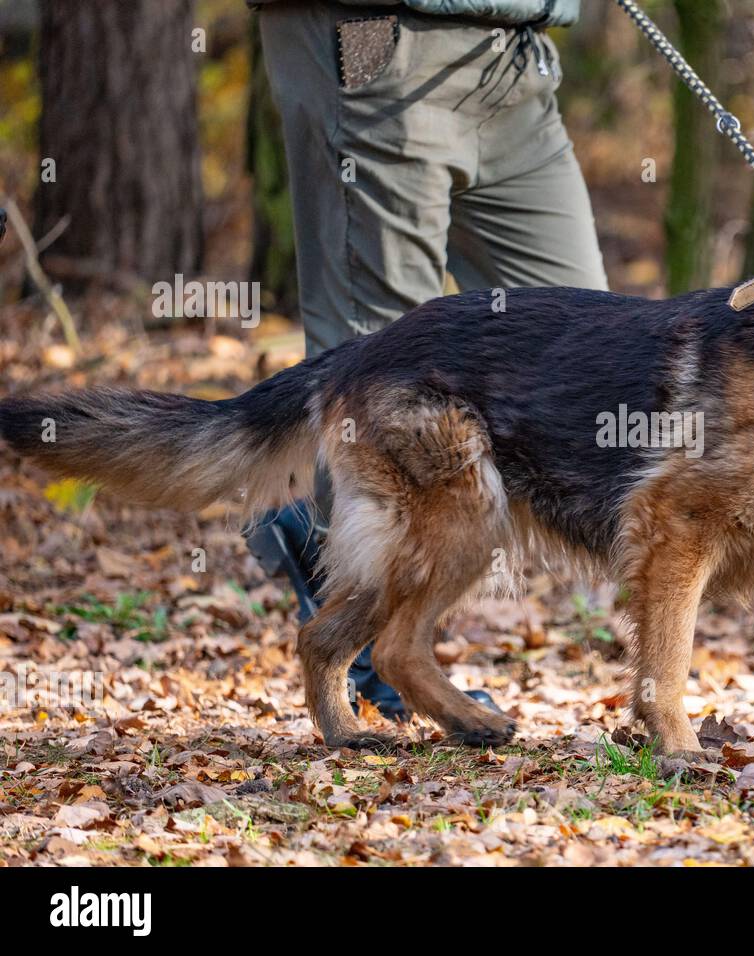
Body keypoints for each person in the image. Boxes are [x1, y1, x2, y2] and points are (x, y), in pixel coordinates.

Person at [246, 0, 606, 716]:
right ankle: (372, 638)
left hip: (514, 55)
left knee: (586, 357)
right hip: (378, 39)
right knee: (381, 372)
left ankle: (310, 522)